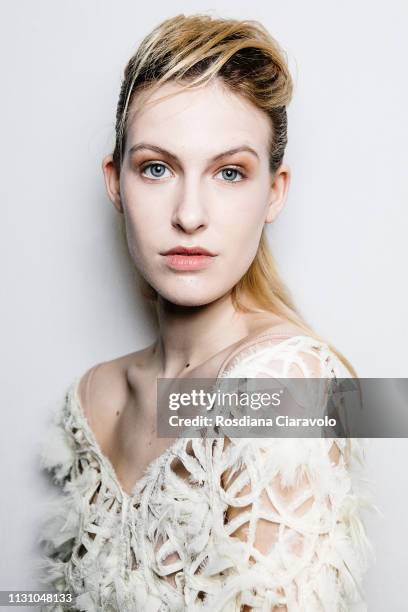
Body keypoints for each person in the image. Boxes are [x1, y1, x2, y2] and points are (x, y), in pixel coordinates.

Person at [36, 13, 376, 611]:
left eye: (229, 172)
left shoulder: (287, 384)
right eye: (157, 168)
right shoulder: (91, 399)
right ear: (116, 183)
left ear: (274, 192)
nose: (189, 213)